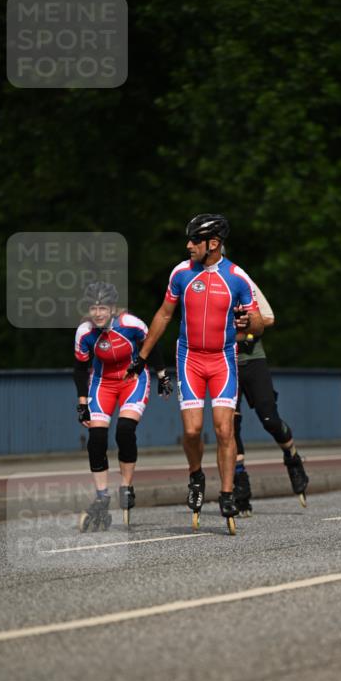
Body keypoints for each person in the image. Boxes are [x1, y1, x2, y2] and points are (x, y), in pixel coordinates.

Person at [127, 214, 263, 533]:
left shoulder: (237, 277)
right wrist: (142, 355)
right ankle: (196, 475)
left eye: (193, 240)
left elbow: (258, 321)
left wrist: (248, 325)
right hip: (189, 358)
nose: (188, 245)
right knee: (192, 431)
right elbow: (163, 314)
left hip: (223, 359)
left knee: (224, 430)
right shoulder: (181, 274)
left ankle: (227, 494)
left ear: (212, 244)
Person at [73, 281, 171, 531]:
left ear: (113, 308)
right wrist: (82, 403)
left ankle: (126, 486)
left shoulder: (131, 324)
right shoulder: (84, 332)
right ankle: (102, 495)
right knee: (96, 438)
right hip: (102, 383)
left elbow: (152, 345)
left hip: (132, 380)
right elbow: (81, 368)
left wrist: (162, 376)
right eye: (93, 308)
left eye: (103, 308)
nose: (97, 313)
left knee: (124, 430)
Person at [232, 278, 309, 514]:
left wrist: (244, 326)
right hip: (225, 363)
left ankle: (292, 458)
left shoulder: (241, 281)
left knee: (269, 418)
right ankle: (240, 485)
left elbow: (269, 318)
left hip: (253, 360)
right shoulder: (202, 287)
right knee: (229, 425)